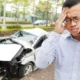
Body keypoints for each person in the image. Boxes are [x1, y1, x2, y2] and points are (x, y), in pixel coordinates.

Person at [35, 0, 80, 80]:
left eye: (76, 18)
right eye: (67, 20)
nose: (72, 24)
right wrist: (56, 33)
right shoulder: (58, 41)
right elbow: (41, 63)